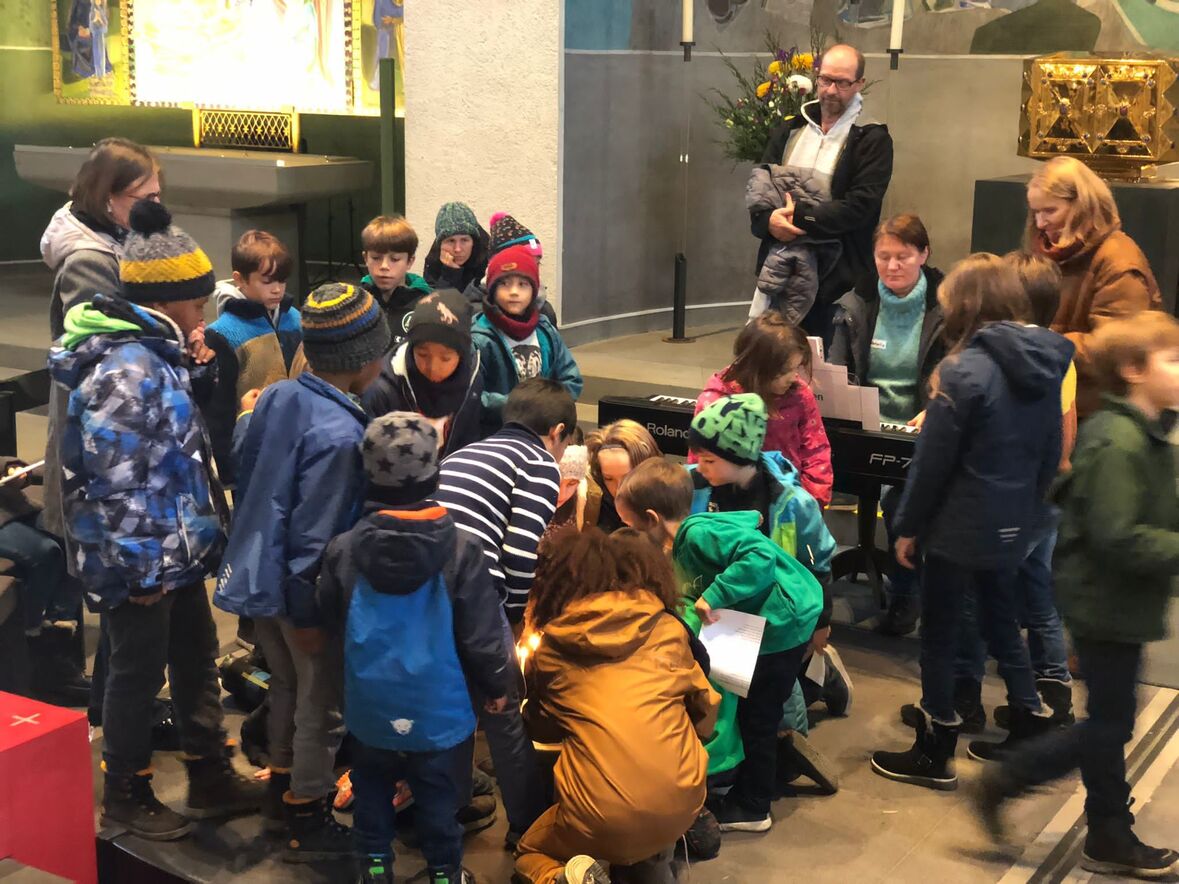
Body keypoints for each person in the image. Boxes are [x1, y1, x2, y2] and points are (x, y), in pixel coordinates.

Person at [49, 199, 262, 840]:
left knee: (197, 652)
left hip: (174, 546)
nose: (205, 315)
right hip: (141, 559)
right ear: (167, 301)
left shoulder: (154, 352)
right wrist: (144, 571)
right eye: (198, 304)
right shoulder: (124, 368)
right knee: (136, 672)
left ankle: (209, 771)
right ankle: (126, 791)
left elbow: (167, 444)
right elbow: (117, 482)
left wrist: (195, 369)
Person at [975, 313, 1179, 880]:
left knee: (1111, 722)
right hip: (1104, 604)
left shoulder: (1148, 434)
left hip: (1122, 605)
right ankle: (1012, 780)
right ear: (1133, 370)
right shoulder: (1117, 441)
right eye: (1172, 360)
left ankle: (1108, 832)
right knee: (1109, 725)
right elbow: (1119, 537)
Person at [870, 254, 1073, 791]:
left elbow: (931, 464)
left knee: (939, 636)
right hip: (1013, 521)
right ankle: (1028, 721)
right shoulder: (1046, 365)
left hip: (957, 525)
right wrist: (1026, 513)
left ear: (964, 308)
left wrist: (908, 526)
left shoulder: (962, 372)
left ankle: (936, 747)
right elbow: (1050, 451)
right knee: (1002, 620)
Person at [213, 282, 391, 862]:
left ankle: (281, 791)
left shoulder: (280, 396)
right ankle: (306, 816)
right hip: (299, 590)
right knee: (324, 704)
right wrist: (310, 613)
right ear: (363, 358)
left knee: (287, 685)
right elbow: (314, 538)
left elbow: (245, 461)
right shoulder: (342, 436)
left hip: (255, 575)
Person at [316, 413, 511, 884]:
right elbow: (482, 635)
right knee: (440, 799)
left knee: (371, 791)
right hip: (440, 710)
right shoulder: (462, 549)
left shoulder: (343, 549)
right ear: (434, 474)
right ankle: (444, 874)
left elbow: (330, 622)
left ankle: (375, 869)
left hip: (369, 706)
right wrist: (497, 686)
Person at [615, 458, 823, 834]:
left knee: (757, 715)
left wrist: (715, 594)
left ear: (651, 518)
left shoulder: (697, 534)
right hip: (754, 625)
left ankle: (754, 806)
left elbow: (759, 557)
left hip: (782, 625)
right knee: (744, 704)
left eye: (631, 525)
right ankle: (763, 767)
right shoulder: (682, 544)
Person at [514, 529, 719, 884]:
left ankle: (561, 875)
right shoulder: (669, 629)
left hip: (600, 813)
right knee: (650, 834)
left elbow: (543, 730)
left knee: (530, 851)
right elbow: (706, 707)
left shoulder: (552, 649)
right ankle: (652, 857)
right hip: (684, 796)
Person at [433, 378, 576, 847]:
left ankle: (449, 808)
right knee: (503, 709)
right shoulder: (538, 463)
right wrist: (515, 618)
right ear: (557, 432)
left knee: (455, 702)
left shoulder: (465, 453)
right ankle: (527, 825)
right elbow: (518, 551)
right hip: (476, 591)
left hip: (430, 588)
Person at [828, 213, 947, 636]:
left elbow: (957, 372)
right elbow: (836, 371)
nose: (892, 266)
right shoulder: (854, 305)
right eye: (884, 256)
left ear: (924, 254)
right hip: (864, 426)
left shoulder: (947, 307)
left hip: (922, 429)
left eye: (903, 256)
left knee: (902, 504)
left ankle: (907, 595)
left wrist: (938, 408)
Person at [752, 44, 893, 342]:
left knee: (830, 366)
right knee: (774, 361)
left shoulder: (871, 137)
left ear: (859, 84)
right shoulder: (790, 129)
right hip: (782, 272)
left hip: (838, 280)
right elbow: (761, 188)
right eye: (825, 80)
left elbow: (861, 206)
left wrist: (799, 217)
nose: (830, 90)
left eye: (842, 83)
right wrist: (768, 221)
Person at [1026, 155, 1162, 418]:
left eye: (1050, 211)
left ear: (1082, 206)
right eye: (1035, 212)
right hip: (1058, 397)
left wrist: (1042, 342)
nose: (1040, 223)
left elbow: (1117, 347)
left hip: (1097, 410)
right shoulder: (1052, 251)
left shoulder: (1119, 262)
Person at [693, 313, 833, 507]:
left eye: (797, 368)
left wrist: (811, 501)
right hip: (729, 507)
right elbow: (700, 461)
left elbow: (816, 451)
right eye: (784, 371)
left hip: (789, 502)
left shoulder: (800, 395)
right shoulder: (716, 402)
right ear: (757, 368)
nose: (793, 377)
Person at [204, 230, 307, 485]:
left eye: (282, 281)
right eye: (267, 281)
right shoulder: (223, 333)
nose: (277, 289)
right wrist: (227, 470)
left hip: (300, 442)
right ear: (240, 279)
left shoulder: (296, 318)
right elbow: (220, 408)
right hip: (252, 450)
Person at [41, 137, 160, 342]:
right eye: (147, 197)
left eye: (157, 195)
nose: (157, 204)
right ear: (107, 197)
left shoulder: (131, 235)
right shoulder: (87, 263)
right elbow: (101, 344)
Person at [0, 458, 86, 706]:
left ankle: (57, 633)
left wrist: (9, 467)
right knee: (46, 553)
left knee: (76, 536)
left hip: (9, 505)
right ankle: (34, 638)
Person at [471, 244, 582, 435]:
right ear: (492, 289)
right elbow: (473, 395)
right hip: (498, 435)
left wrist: (551, 405)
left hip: (543, 432)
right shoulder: (479, 338)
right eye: (505, 284)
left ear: (534, 290)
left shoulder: (545, 330)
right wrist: (523, 406)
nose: (514, 291)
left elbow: (571, 378)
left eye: (522, 284)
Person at [362, 288, 484, 458]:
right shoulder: (382, 391)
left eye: (445, 358)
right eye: (422, 354)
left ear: (461, 355)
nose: (433, 367)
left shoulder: (472, 377)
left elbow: (470, 440)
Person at [462, 212, 557, 326]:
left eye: (536, 264)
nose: (532, 271)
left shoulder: (545, 310)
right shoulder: (477, 316)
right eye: (523, 264)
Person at [360, 214, 433, 349]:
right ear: (365, 258)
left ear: (410, 261)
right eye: (376, 258)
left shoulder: (429, 307)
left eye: (394, 259)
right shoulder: (356, 303)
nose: (384, 266)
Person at [585, 419, 661, 532]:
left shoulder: (671, 507)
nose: (619, 489)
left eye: (627, 477)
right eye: (609, 479)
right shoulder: (593, 509)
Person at [423, 202, 490, 294]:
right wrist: (450, 272)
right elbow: (437, 301)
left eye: (464, 240)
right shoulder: (434, 261)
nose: (457, 249)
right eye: (451, 241)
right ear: (440, 244)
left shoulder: (489, 260)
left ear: (473, 242)